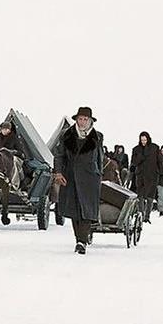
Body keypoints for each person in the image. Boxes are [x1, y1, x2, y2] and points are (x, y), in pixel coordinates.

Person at [52, 107, 103, 255]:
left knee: (87, 210)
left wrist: (99, 173)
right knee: (74, 210)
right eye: (80, 119)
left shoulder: (97, 136)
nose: (82, 122)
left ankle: (82, 241)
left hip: (90, 177)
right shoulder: (66, 135)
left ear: (90, 121)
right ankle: (79, 240)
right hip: (70, 176)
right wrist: (59, 172)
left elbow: (100, 157)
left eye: (85, 119)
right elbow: (59, 155)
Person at [130, 131, 161, 222]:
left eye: (145, 140)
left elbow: (159, 161)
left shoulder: (155, 148)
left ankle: (147, 216)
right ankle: (141, 215)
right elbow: (134, 162)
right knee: (140, 196)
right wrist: (139, 157)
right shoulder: (136, 149)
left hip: (152, 176)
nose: (143, 141)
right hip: (140, 176)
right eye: (142, 140)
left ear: (148, 139)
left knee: (150, 196)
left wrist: (160, 172)